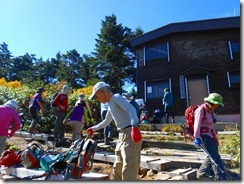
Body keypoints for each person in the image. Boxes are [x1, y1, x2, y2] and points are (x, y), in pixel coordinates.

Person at [86, 81, 142, 180]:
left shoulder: (116, 97)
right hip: (122, 136)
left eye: (96, 96)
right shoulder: (111, 104)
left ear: (101, 92)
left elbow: (131, 109)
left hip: (130, 133)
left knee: (129, 168)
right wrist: (93, 129)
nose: (97, 99)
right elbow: (106, 121)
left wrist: (135, 126)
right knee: (118, 168)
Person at [194, 93, 227, 180]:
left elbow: (211, 125)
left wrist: (215, 137)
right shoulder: (201, 110)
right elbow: (196, 124)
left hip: (210, 135)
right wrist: (197, 137)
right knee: (215, 157)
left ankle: (201, 173)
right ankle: (220, 177)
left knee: (212, 155)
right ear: (211, 102)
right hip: (203, 136)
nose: (217, 106)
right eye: (216, 104)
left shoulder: (211, 111)